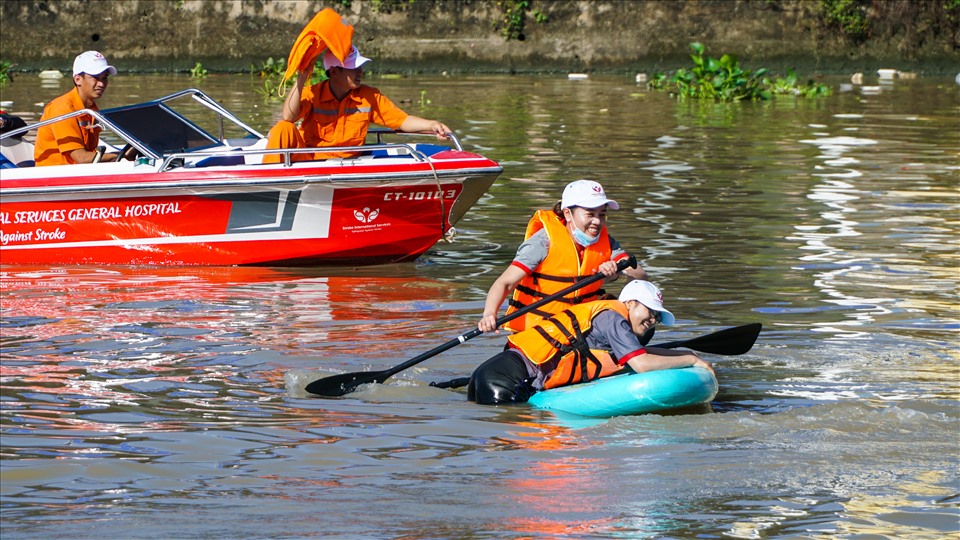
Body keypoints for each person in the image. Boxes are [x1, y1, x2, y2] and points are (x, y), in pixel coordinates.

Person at [468, 280, 713, 405]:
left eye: (658, 316)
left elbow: (639, 353)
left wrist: (683, 353)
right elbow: (641, 363)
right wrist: (691, 360)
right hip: (505, 381)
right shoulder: (614, 319)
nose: (653, 319)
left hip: (493, 373)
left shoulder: (611, 319)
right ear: (630, 303)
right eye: (650, 310)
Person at [478, 179, 649, 335]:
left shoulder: (607, 243)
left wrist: (617, 272)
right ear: (568, 214)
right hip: (539, 332)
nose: (597, 222)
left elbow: (640, 275)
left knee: (638, 313)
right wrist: (489, 315)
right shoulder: (542, 242)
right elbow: (505, 282)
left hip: (581, 328)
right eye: (590, 214)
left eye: (602, 214)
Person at [264, 45, 451, 163]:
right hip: (310, 161)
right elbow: (288, 117)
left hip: (348, 164)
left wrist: (431, 124)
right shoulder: (312, 93)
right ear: (335, 72)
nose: (360, 72)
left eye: (359, 67)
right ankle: (265, 189)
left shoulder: (369, 96)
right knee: (282, 128)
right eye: (353, 68)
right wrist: (301, 78)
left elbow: (402, 121)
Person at [34, 51, 129, 166]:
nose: (101, 84)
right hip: (55, 178)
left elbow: (89, 155)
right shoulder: (61, 108)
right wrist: (121, 156)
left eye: (104, 78)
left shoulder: (91, 109)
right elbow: (81, 158)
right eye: (95, 78)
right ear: (78, 79)